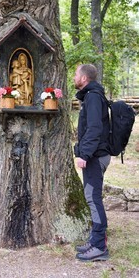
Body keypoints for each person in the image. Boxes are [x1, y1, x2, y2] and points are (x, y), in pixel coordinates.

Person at [73, 64, 111, 262]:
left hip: (95, 157)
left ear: (84, 78)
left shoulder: (94, 97)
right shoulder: (91, 95)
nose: (74, 77)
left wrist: (84, 155)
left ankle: (99, 247)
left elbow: (95, 128)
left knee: (93, 199)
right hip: (95, 155)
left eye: (76, 74)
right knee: (92, 197)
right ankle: (94, 240)